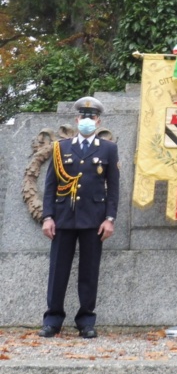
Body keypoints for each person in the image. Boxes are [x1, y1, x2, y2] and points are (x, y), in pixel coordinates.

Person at [39, 97, 120, 338]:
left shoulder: (108, 149)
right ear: (76, 120)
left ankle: (86, 321)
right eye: (83, 117)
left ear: (98, 121)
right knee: (58, 271)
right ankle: (52, 320)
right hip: (63, 218)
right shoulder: (60, 148)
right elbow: (50, 186)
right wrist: (47, 217)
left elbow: (113, 187)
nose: (87, 120)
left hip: (94, 219)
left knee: (89, 271)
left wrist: (110, 219)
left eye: (91, 117)